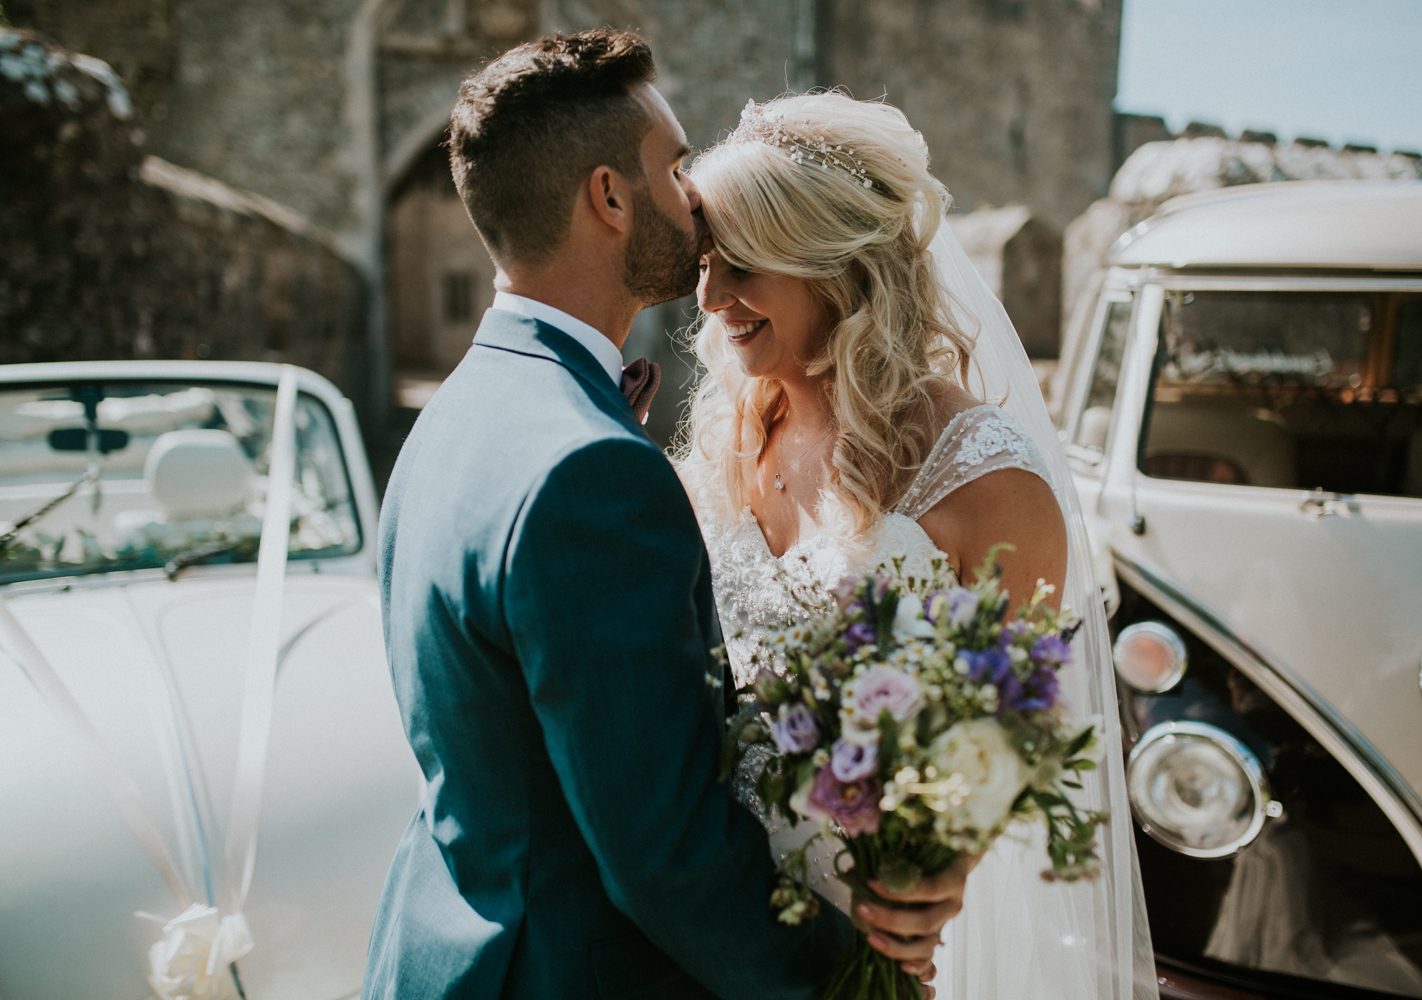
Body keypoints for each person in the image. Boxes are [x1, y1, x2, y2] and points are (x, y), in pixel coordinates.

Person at [363, 31, 971, 1000]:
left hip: (444, 947)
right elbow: (663, 852)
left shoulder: (456, 411)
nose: (695, 198)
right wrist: (850, 982)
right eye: (676, 166)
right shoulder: (592, 469)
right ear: (609, 196)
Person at [677, 93, 1157, 1000]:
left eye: (740, 264)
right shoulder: (725, 438)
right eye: (705, 263)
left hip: (875, 930)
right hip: (711, 916)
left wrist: (939, 867)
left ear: (835, 264)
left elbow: (1019, 719)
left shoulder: (981, 474)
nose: (708, 298)